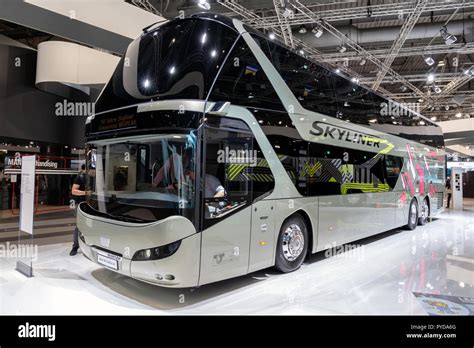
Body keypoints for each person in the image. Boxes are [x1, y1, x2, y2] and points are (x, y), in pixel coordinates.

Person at [70, 164, 86, 256]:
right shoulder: (79, 177)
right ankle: (75, 246)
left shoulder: (93, 178)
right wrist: (86, 193)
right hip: (80, 203)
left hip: (91, 204)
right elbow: (74, 190)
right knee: (78, 225)